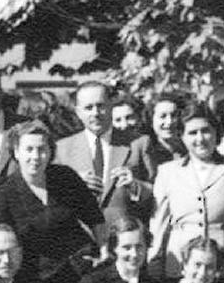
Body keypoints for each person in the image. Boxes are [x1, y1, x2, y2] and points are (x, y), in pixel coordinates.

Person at [0, 120, 104, 283]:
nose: (36, 156)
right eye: (29, 149)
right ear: (16, 152)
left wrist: (104, 254)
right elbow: (2, 244)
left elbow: (96, 219)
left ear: (50, 152)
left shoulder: (65, 177)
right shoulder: (4, 194)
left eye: (42, 149)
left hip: (83, 271)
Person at [150, 103, 224, 278]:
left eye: (206, 131)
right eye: (192, 133)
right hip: (180, 263)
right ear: (182, 137)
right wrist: (154, 259)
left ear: (216, 133)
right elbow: (159, 223)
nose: (200, 138)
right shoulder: (167, 171)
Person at [54, 80, 153, 224]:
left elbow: (159, 191)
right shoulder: (62, 149)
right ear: (78, 112)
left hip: (124, 232)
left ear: (111, 106)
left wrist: (135, 186)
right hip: (81, 233)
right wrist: (72, 184)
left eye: (100, 106)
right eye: (88, 108)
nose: (95, 113)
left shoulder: (138, 143)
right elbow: (50, 197)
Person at [143, 92, 187, 177]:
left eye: (173, 115)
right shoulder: (147, 152)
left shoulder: (187, 147)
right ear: (151, 120)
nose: (169, 122)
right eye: (163, 116)